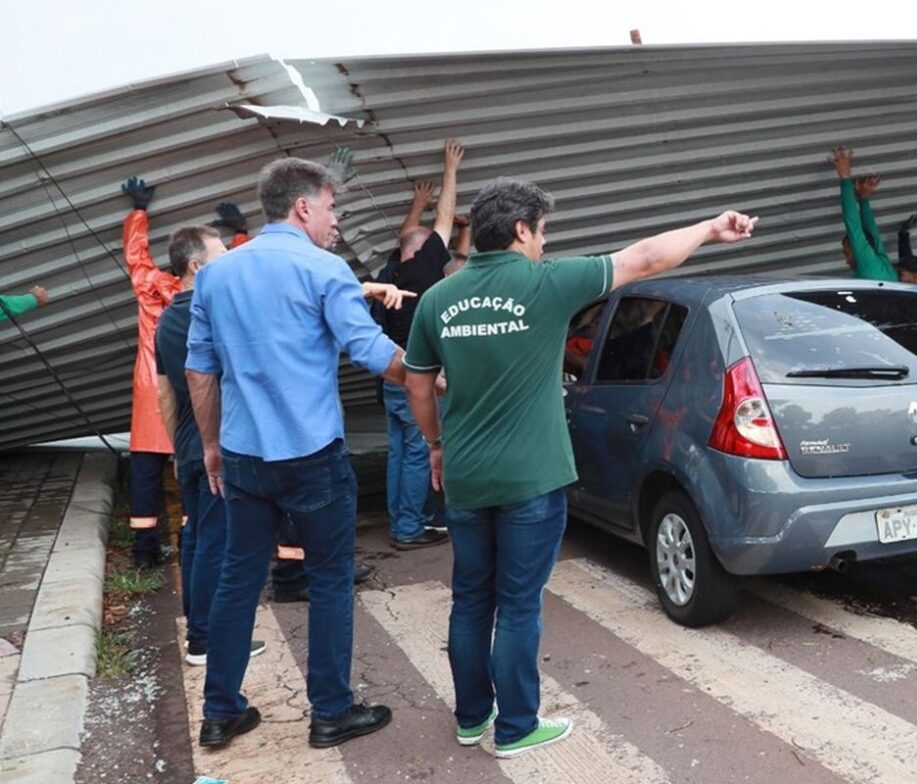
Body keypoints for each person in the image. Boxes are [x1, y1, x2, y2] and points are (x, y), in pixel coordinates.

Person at [401, 178, 757, 758]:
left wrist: (435, 444)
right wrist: (711, 228)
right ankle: (516, 726)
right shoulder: (547, 283)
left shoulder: (439, 298)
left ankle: (471, 719)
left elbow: (417, 384)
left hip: (466, 475)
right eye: (542, 232)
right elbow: (643, 258)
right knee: (517, 602)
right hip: (532, 477)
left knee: (471, 598)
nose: (545, 243)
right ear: (521, 231)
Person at [187, 157, 407, 749]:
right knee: (331, 578)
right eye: (333, 208)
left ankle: (221, 711)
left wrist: (211, 446)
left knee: (238, 578)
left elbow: (200, 371)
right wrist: (439, 378)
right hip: (312, 457)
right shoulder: (324, 268)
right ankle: (331, 712)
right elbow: (374, 352)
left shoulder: (216, 276)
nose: (337, 221)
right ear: (304, 206)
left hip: (243, 456)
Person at [152, 224, 268, 666]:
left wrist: (178, 451)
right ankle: (206, 639)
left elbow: (165, 394)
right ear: (196, 268)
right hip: (216, 441)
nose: (229, 262)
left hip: (188, 443)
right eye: (221, 255)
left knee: (198, 537)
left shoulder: (165, 322)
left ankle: (196, 626)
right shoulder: (212, 315)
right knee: (218, 541)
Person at [381, 140, 466, 551]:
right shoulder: (425, 262)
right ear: (424, 249)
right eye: (434, 242)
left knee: (400, 451)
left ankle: (402, 520)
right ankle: (409, 529)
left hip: (391, 373)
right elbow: (445, 220)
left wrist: (418, 203)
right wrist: (450, 169)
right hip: (418, 375)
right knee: (420, 452)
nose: (441, 247)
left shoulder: (394, 269)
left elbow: (406, 235)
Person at [119, 177, 180, 569]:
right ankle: (192, 544)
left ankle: (145, 552)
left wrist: (139, 211)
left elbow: (137, 258)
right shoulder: (198, 296)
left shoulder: (151, 291)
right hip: (186, 395)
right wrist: (242, 235)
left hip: (148, 394)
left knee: (144, 476)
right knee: (192, 473)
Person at [829, 146, 899, 281]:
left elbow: (853, 225)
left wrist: (845, 179)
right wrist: (863, 200)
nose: (846, 261)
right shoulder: (883, 263)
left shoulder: (869, 265)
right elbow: (873, 235)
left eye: (847, 254)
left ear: (856, 250)